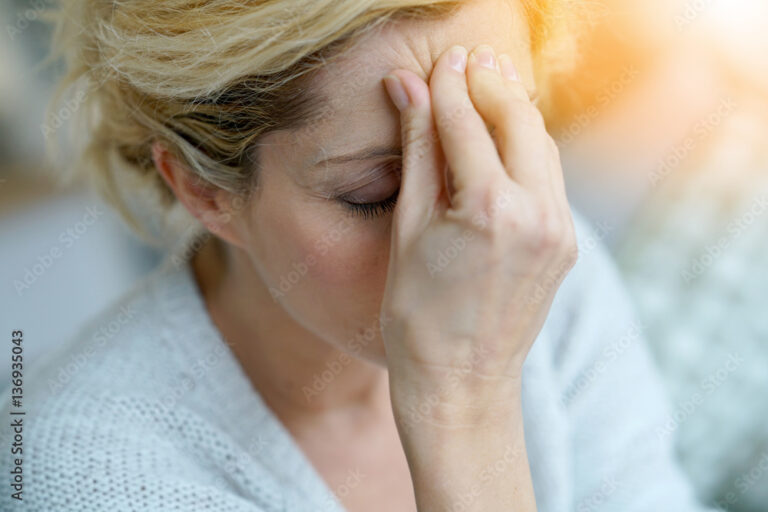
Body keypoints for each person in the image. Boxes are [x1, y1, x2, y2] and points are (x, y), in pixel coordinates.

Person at [0, 0, 717, 510]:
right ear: (202, 189)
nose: (472, 227)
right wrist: (461, 400)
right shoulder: (81, 474)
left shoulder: (532, 248)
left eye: (494, 137)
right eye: (375, 192)